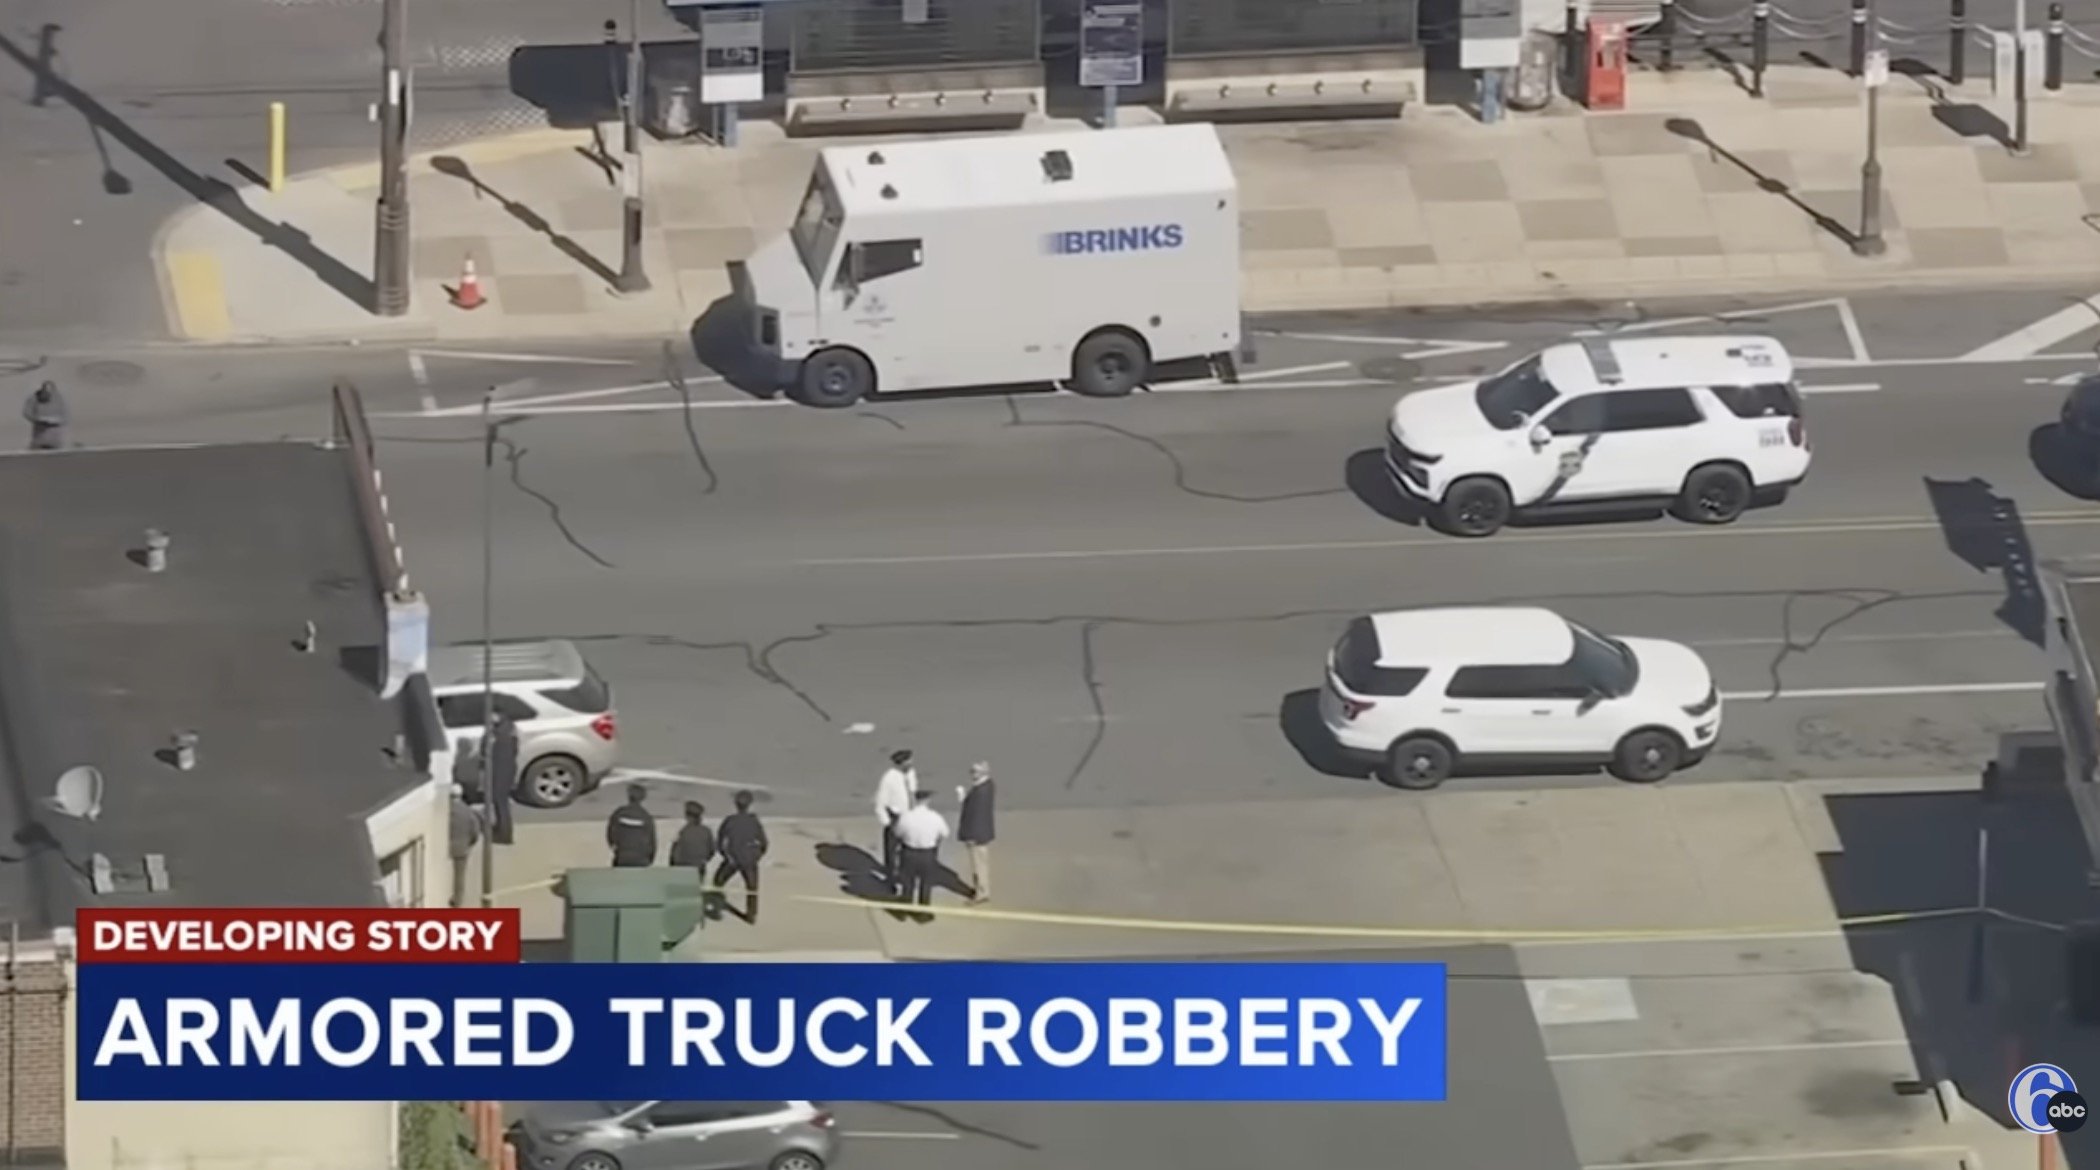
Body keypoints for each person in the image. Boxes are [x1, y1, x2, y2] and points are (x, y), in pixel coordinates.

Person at [892, 789, 949, 922]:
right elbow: (945, 833)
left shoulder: (906, 817)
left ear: (915, 800)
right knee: (926, 884)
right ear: (927, 801)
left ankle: (904, 912)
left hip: (909, 852)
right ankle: (923, 914)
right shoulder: (935, 817)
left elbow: (897, 833)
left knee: (907, 883)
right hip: (928, 854)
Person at [713, 790, 768, 923]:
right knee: (752, 888)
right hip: (749, 859)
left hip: (733, 859)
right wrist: (757, 856)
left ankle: (716, 906)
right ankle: (751, 914)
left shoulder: (729, 821)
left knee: (718, 881)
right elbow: (764, 842)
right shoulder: (754, 821)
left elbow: (720, 842)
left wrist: (727, 856)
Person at [873, 748, 919, 891]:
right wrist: (888, 824)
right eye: (908, 761)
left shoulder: (911, 774)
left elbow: (913, 793)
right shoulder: (889, 778)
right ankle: (891, 880)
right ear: (901, 763)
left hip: (910, 816)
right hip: (895, 817)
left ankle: (905, 877)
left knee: (909, 850)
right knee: (892, 852)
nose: (911, 763)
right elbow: (880, 803)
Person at [956, 761, 996, 905]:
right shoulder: (987, 786)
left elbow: (975, 815)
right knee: (982, 863)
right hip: (983, 833)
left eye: (974, 771)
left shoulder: (979, 792)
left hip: (976, 834)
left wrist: (963, 798)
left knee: (978, 865)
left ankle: (981, 893)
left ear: (982, 773)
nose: (972, 774)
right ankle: (983, 890)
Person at [605, 783, 656, 868]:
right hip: (642, 860)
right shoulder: (646, 817)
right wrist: (649, 859)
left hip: (622, 857)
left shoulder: (619, 813)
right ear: (643, 798)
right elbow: (652, 842)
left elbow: (610, 834)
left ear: (628, 796)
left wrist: (616, 849)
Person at [447, 784, 481, 908]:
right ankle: (458, 900)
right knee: (459, 876)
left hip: (445, 847)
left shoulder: (444, 811)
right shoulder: (467, 811)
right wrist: (470, 843)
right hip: (462, 848)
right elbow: (475, 830)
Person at [668, 801, 715, 876]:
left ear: (687, 816)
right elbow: (711, 851)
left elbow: (674, 851)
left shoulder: (683, 831)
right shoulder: (707, 831)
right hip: (699, 866)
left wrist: (672, 865)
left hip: (681, 867)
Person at [23, 382, 67, 451]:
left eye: (50, 392)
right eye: (45, 392)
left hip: (54, 435)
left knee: (54, 454)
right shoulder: (33, 398)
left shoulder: (59, 399)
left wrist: (58, 420)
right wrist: (36, 420)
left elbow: (64, 414)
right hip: (39, 434)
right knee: (37, 452)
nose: (48, 394)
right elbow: (26, 413)